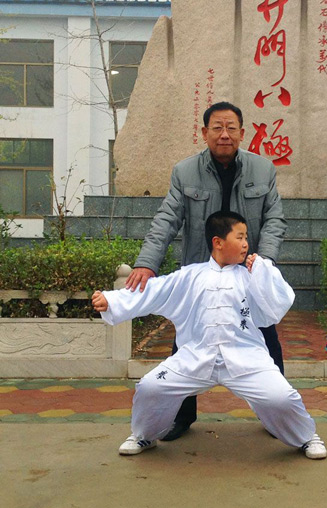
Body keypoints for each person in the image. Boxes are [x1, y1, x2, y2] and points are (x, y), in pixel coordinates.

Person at [92, 211, 327, 460]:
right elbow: (154, 290)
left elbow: (277, 304)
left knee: (281, 397)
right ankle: (145, 435)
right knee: (151, 387)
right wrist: (112, 300)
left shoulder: (250, 275)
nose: (246, 244)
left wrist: (263, 271)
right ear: (218, 242)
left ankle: (306, 437)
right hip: (195, 356)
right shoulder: (190, 275)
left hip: (246, 358)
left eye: (246, 238)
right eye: (240, 237)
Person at [125, 101, 288, 441]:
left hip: (247, 273)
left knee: (266, 340)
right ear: (204, 132)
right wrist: (146, 262)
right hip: (203, 272)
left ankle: (277, 416)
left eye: (231, 128)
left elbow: (274, 219)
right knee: (186, 346)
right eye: (217, 128)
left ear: (242, 133)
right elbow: (166, 220)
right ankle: (180, 417)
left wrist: (265, 262)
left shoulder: (263, 170)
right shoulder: (185, 172)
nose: (224, 134)